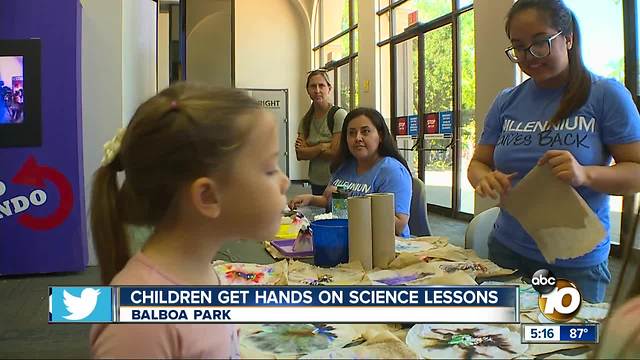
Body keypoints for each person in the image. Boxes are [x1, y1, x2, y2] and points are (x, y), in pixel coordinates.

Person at [89, 83, 290, 358]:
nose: (285, 181)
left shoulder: (204, 274)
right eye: (269, 169)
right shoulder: (140, 322)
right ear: (207, 196)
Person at [467, 0, 640, 303]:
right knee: (501, 343)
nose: (528, 57)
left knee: (561, 344)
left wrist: (585, 174)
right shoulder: (507, 100)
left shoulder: (604, 94)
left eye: (539, 44)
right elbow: (478, 163)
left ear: (568, 38)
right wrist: (484, 178)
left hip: (575, 262)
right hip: (508, 249)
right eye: (518, 47)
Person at [289, 107, 412, 237]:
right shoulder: (345, 165)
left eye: (365, 132)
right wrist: (311, 199)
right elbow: (331, 201)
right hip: (346, 239)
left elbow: (398, 226)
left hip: (383, 247)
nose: (357, 138)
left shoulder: (392, 171)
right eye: (351, 133)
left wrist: (353, 202)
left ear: (380, 136)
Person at [295, 69, 347, 195]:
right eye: (313, 86)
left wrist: (310, 149)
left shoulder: (338, 115)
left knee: (336, 214)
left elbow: (335, 152)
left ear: (329, 88)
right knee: (318, 214)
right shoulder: (305, 120)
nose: (317, 90)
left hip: (337, 182)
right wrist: (322, 146)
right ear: (308, 90)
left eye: (321, 85)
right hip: (316, 182)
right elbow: (300, 154)